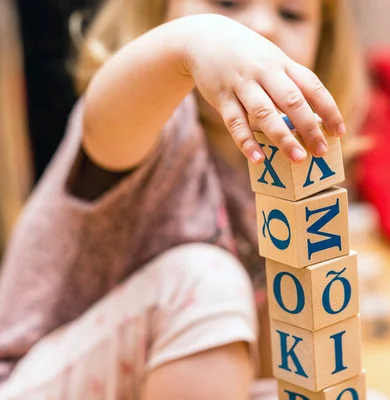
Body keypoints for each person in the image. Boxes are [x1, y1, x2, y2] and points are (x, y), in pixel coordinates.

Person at [0, 0, 368, 398]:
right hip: (32, 383)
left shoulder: (284, 163)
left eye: (292, 15)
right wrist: (192, 43)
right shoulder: (152, 122)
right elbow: (107, 116)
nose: (263, 26)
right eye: (226, 3)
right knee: (207, 279)